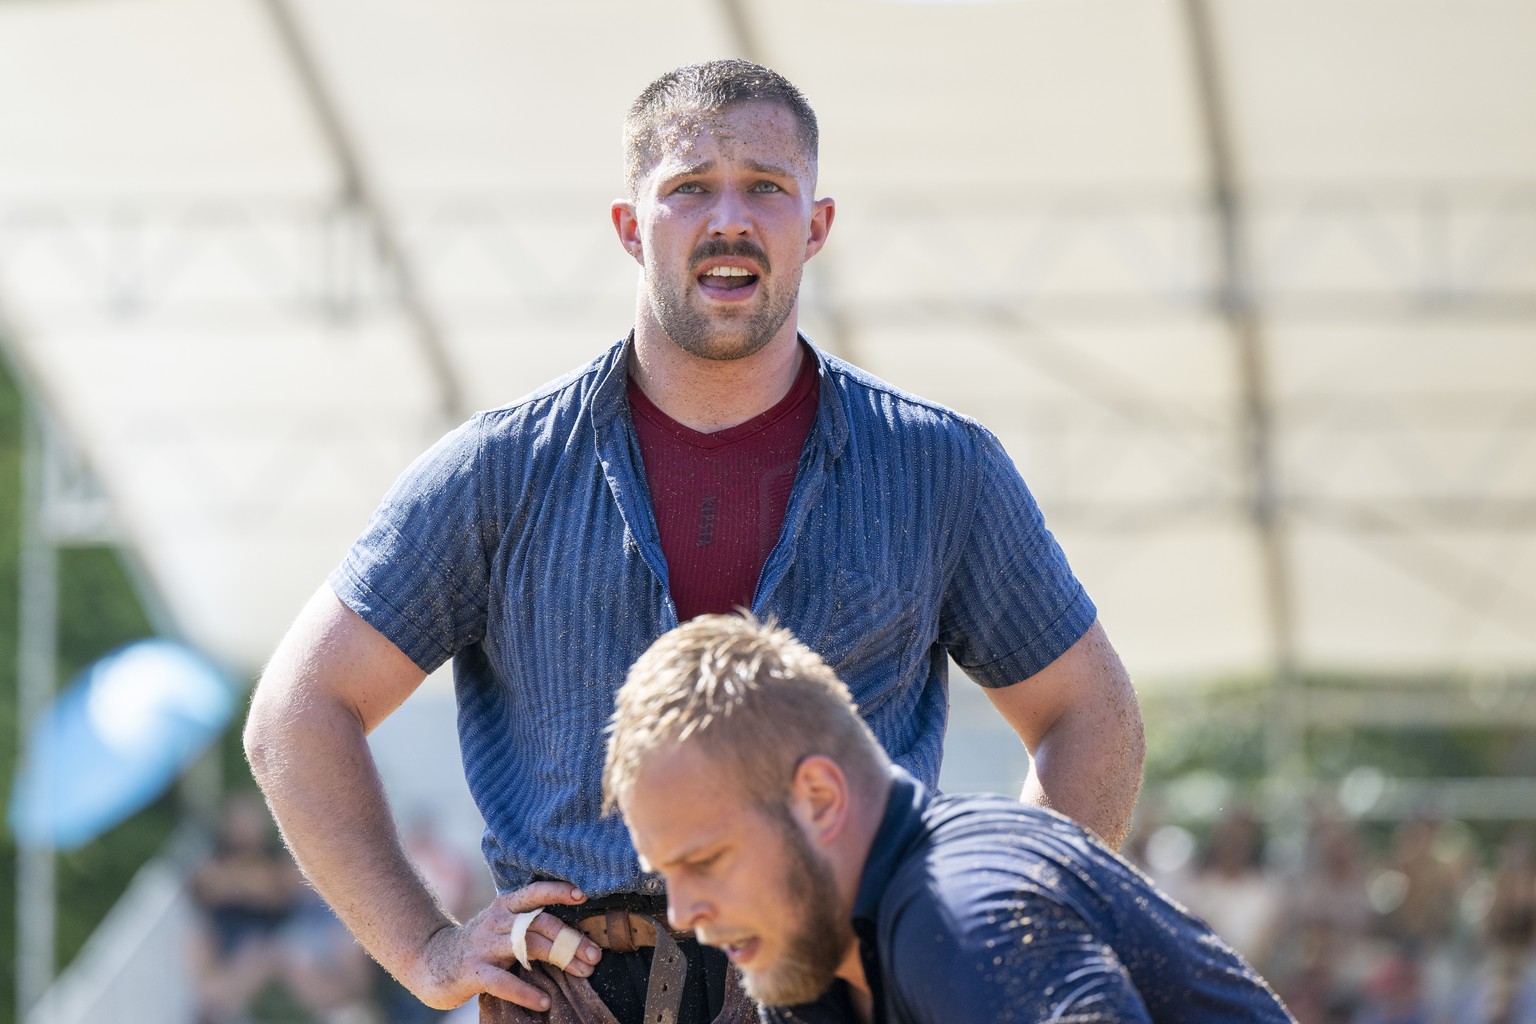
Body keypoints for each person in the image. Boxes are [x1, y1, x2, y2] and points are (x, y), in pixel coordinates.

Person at [243, 59, 1143, 1024]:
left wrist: (998, 944)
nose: (729, 219)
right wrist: (425, 947)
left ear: (816, 226)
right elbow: (298, 712)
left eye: (765, 186)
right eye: (687, 190)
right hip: (581, 992)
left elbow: (1092, 716)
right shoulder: (498, 473)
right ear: (631, 228)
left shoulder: (938, 469)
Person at [604, 613, 1291, 1024]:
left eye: (705, 861)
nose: (685, 910)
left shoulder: (967, 913)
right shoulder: (813, 962)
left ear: (818, 799)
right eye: (667, 873)